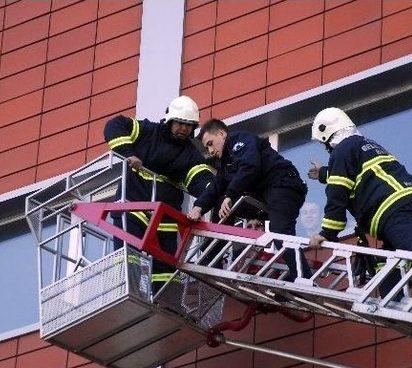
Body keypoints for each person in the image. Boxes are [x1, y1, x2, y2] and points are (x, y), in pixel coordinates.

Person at [307, 107, 412, 301]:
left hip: (395, 208)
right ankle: (394, 300)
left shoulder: (342, 151)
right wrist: (325, 173)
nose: (327, 149)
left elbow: (338, 194)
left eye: (324, 144)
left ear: (328, 133)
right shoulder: (365, 144)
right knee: (389, 261)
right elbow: (362, 172)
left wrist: (327, 233)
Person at [104, 95, 214, 293]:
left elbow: (201, 180)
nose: (184, 129)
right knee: (131, 255)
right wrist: (129, 153)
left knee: (165, 265)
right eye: (180, 123)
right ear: (170, 120)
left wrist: (218, 194)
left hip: (165, 216)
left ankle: (167, 301)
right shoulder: (148, 132)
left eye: (188, 125)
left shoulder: (190, 154)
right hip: (133, 206)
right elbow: (115, 125)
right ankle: (130, 292)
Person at [187, 119, 311, 281]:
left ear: (222, 134)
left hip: (283, 186)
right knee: (221, 203)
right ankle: (213, 256)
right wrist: (198, 207)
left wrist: (230, 194)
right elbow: (216, 187)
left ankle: (304, 278)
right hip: (266, 197)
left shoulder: (240, 140)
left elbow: (250, 166)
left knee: (280, 231)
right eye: (207, 147)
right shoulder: (226, 164)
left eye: (211, 143)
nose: (210, 150)